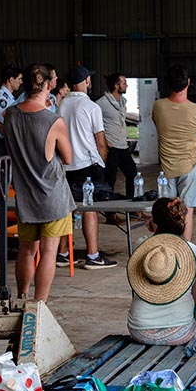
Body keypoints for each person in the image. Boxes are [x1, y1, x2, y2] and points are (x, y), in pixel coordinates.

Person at [4, 64, 74, 301]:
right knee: (48, 252)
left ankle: (23, 297)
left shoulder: (11, 115)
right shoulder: (53, 121)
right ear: (47, 85)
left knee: (26, 250)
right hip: (52, 195)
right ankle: (39, 305)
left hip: (25, 196)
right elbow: (68, 158)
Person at [127, 197, 196, 345]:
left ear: (153, 222)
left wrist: (154, 230)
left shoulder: (141, 246)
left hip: (139, 331)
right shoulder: (194, 252)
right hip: (180, 333)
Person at [57, 65, 117, 269]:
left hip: (66, 165)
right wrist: (102, 163)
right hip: (88, 164)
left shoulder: (62, 105)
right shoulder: (92, 107)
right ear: (86, 82)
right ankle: (92, 255)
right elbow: (100, 141)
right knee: (91, 208)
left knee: (68, 209)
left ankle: (63, 253)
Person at [152, 65, 196, 240]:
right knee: (187, 211)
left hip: (166, 166)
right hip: (190, 166)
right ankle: (185, 251)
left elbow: (158, 124)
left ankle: (166, 249)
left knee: (165, 211)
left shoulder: (158, 106)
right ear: (188, 83)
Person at [97, 72, 138, 201]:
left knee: (133, 174)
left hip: (123, 147)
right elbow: (93, 125)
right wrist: (104, 142)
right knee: (110, 180)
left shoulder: (122, 102)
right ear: (116, 86)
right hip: (111, 148)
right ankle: (111, 214)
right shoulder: (101, 104)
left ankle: (132, 208)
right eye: (124, 83)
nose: (127, 85)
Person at [0, 64, 23, 157]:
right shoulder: (1, 98)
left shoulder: (9, 98)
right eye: (19, 79)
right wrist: (10, 136)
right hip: (2, 144)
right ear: (11, 80)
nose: (21, 82)